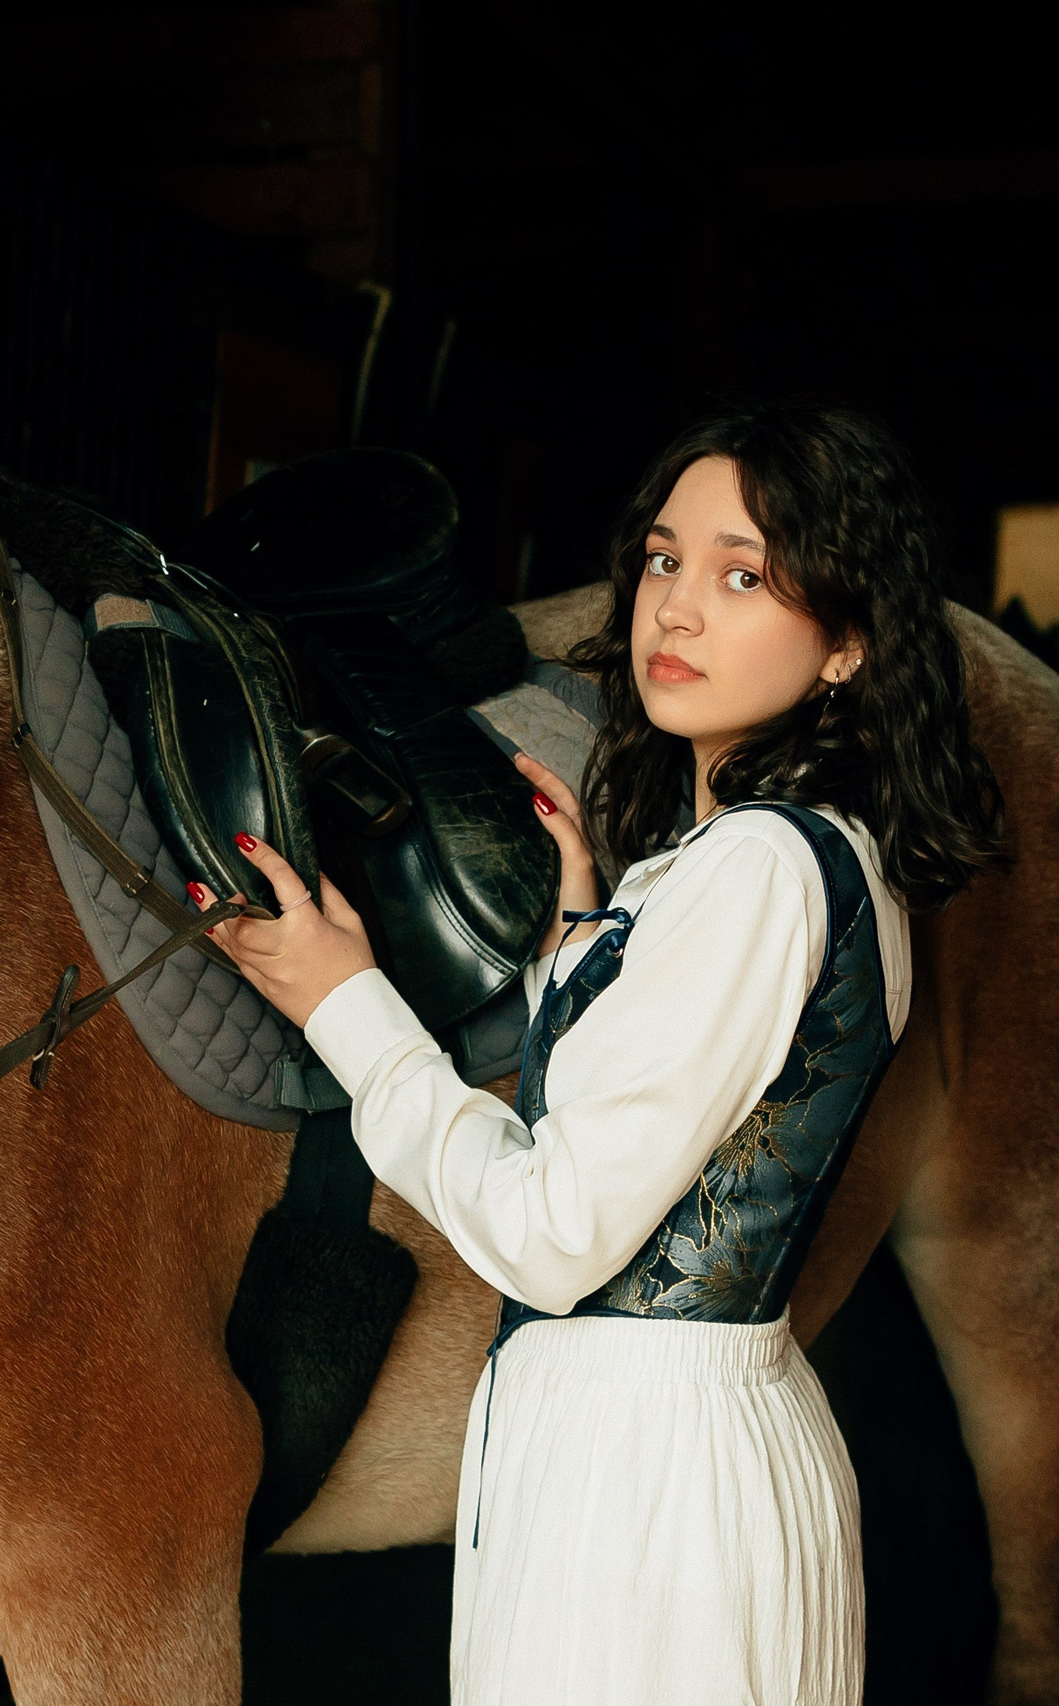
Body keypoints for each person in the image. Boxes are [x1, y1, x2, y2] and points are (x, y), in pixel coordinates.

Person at [190, 404, 1005, 1703]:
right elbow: (675, 1104)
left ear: (848, 643)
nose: (676, 609)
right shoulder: (778, 857)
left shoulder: (758, 872)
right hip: (661, 1455)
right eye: (666, 560)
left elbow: (555, 1233)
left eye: (744, 576)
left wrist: (344, 1001)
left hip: (651, 1491)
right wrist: (584, 926)